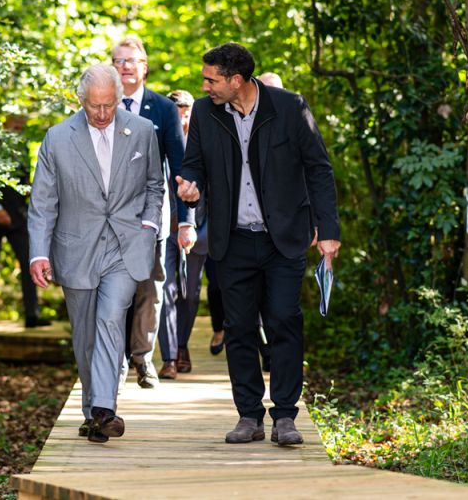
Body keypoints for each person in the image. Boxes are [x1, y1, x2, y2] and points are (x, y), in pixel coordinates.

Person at [176, 43, 340, 446]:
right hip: (231, 242)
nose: (205, 85)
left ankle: (285, 415)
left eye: (211, 79)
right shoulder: (205, 112)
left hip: (282, 239)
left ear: (236, 80)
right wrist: (189, 185)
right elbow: (193, 162)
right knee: (240, 328)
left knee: (285, 322)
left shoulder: (289, 107)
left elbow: (318, 168)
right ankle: (249, 415)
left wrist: (329, 229)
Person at [28, 63, 164, 443]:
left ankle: (105, 408)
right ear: (81, 101)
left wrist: (149, 226)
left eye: (109, 105)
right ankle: (93, 411)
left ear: (119, 100)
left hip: (125, 246)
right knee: (85, 334)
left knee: (109, 320)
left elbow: (156, 184)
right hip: (76, 248)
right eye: (94, 107)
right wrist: (39, 253)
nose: (103, 114)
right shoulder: (57, 138)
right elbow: (43, 203)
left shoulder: (141, 131)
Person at [111, 36, 196, 389]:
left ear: (144, 67)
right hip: (109, 221)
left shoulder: (162, 109)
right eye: (119, 61)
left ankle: (143, 358)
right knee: (113, 292)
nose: (125, 66)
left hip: (152, 219)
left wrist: (186, 222)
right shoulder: (101, 105)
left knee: (150, 290)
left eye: (132, 60)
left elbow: (180, 166)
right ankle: (114, 362)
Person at [0, 115, 48, 331]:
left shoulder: (23, 149)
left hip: (18, 218)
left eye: (21, 125)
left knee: (30, 263)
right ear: (5, 123)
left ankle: (32, 314)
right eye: (15, 124)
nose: (18, 128)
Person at [157, 90, 209, 379]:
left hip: (197, 231)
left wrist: (204, 232)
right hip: (165, 229)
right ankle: (168, 358)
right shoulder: (159, 143)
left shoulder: (202, 145)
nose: (183, 117)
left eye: (187, 111)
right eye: (178, 111)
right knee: (166, 290)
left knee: (190, 295)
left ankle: (182, 345)